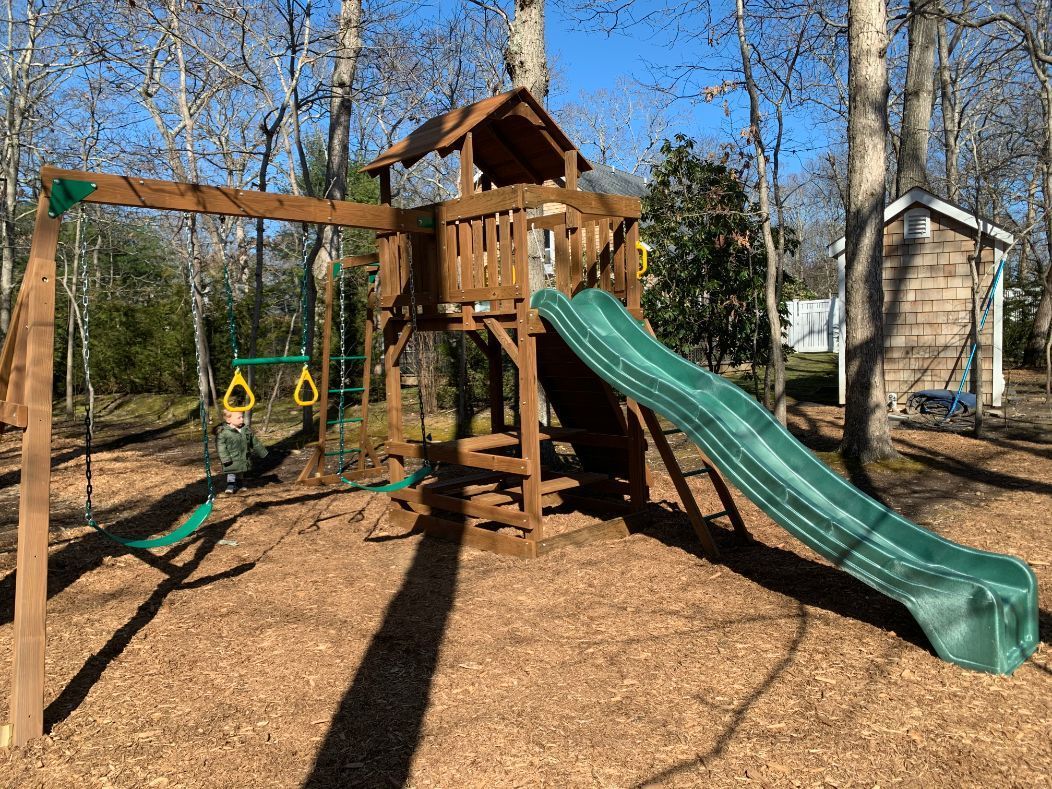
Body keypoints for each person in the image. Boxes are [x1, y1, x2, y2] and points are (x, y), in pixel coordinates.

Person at [215, 409, 269, 494]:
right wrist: (225, 458)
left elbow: (254, 442)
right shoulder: (224, 432)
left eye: (242, 417)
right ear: (229, 420)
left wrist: (263, 452)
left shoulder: (245, 429)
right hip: (231, 457)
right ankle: (230, 485)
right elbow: (221, 447)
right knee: (231, 471)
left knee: (240, 471)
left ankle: (240, 483)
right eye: (239, 418)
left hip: (243, 455)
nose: (242, 419)